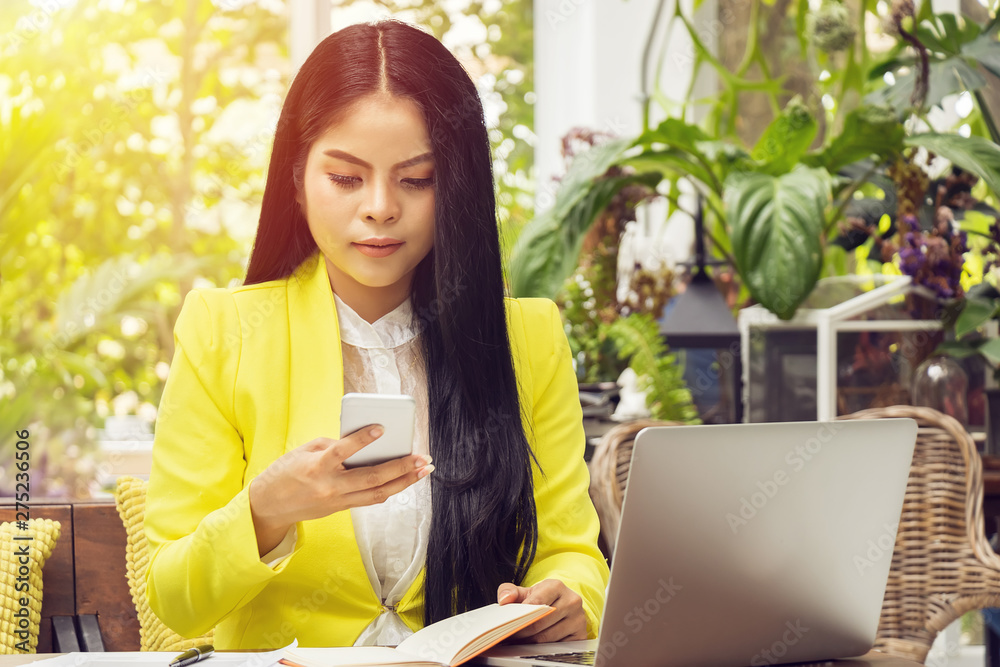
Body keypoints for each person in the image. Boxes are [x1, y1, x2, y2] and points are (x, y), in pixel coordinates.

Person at [144, 18, 609, 650]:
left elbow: (572, 552)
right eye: (345, 177)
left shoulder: (528, 338)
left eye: (417, 179)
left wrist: (569, 597)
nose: (381, 207)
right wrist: (265, 511)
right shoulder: (223, 334)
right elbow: (174, 599)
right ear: (298, 183)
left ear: (459, 187)